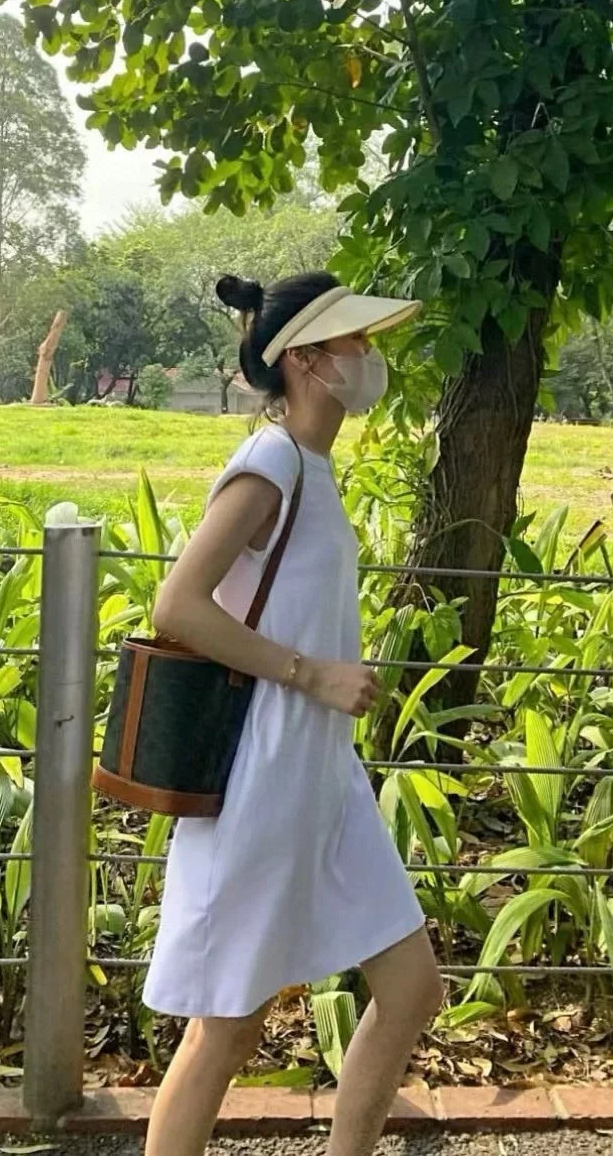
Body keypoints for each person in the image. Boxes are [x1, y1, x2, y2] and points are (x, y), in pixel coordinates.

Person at [143, 271, 444, 1156]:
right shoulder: (270, 462)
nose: (370, 356)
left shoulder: (312, 465)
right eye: (357, 341)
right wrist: (312, 675)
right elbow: (178, 605)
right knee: (227, 1029)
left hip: (323, 775)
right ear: (306, 360)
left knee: (412, 988)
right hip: (261, 776)